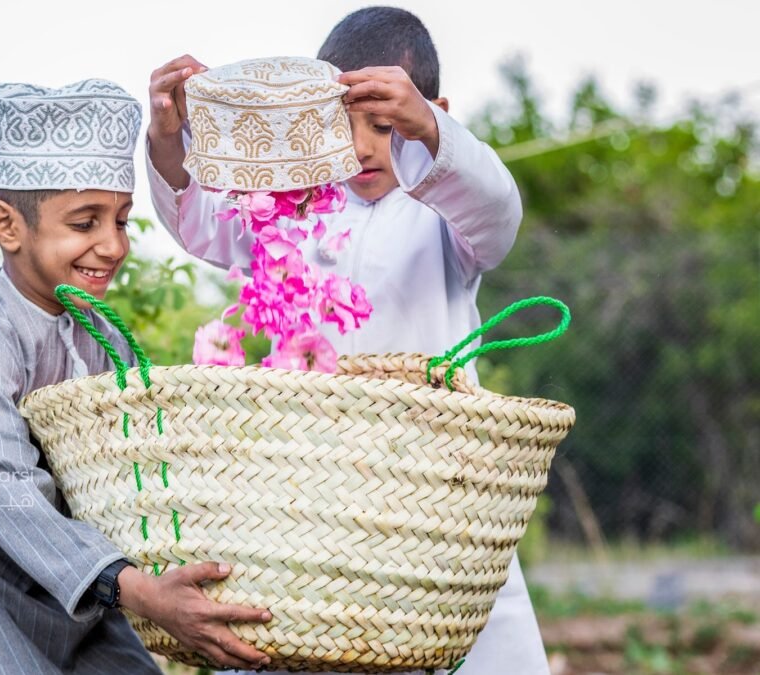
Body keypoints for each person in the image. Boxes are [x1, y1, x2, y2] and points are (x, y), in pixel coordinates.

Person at [146, 7, 549, 674]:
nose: (362, 147)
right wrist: (167, 139)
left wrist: (432, 131)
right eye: (340, 122)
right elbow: (201, 224)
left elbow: (499, 211)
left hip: (435, 499)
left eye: (386, 125)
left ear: (433, 113)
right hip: (308, 498)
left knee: (452, 639)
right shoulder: (287, 204)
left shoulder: (446, 216)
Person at [0, 79, 272, 674]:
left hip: (51, 565)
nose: (113, 245)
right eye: (85, 223)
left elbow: (124, 472)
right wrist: (142, 591)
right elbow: (1, 488)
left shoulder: (100, 336)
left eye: (120, 219)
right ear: (8, 226)